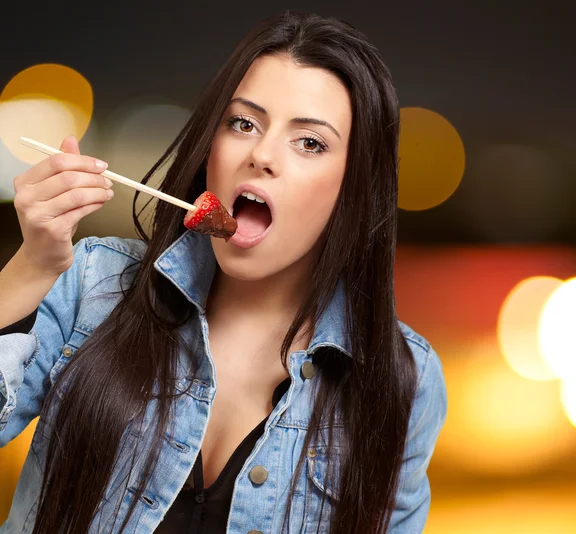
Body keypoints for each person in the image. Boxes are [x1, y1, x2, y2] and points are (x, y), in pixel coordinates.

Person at [0, 10, 447, 534]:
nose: (260, 154)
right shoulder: (95, 283)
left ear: (354, 187)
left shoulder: (403, 378)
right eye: (244, 123)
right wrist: (31, 266)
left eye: (309, 142)